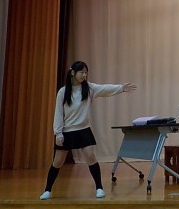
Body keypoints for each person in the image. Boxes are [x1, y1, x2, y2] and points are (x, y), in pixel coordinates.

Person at [39, 61, 137, 200]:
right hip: (67, 131)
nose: (84, 75)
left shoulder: (89, 88)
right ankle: (47, 190)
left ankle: (99, 188)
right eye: (82, 72)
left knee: (90, 157)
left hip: (83, 129)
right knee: (58, 162)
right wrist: (58, 133)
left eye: (86, 72)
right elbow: (58, 114)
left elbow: (104, 88)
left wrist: (121, 88)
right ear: (73, 72)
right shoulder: (63, 91)